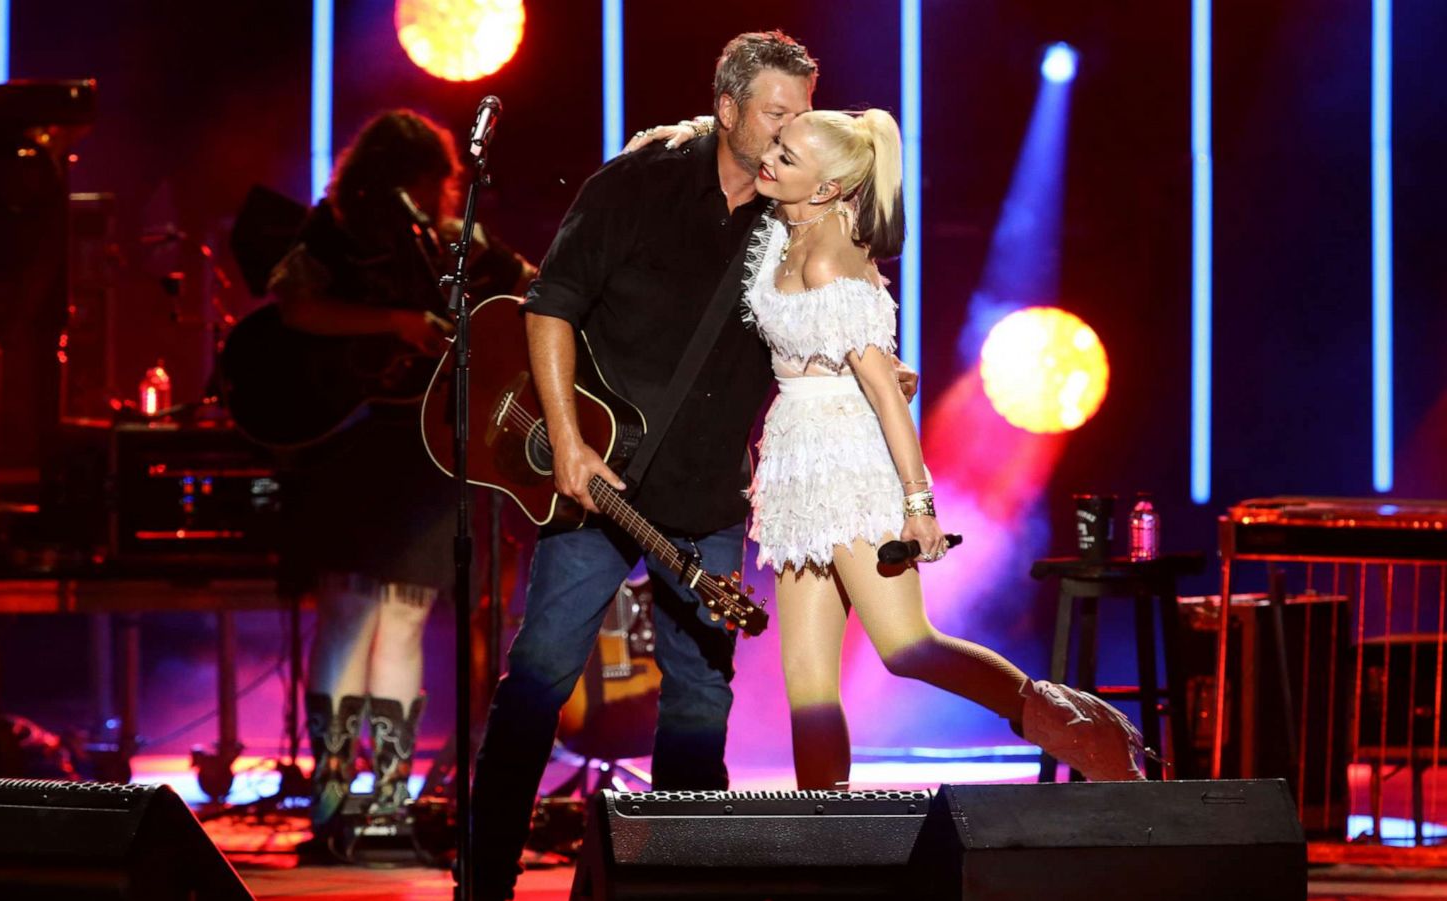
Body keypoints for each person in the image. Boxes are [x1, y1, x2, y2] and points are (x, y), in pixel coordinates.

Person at [463, 31, 824, 901]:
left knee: (700, 703)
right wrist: (569, 443)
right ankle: (484, 883)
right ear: (728, 108)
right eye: (774, 112)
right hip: (601, 487)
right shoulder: (637, 182)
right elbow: (548, 308)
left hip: (709, 497)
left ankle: (676, 886)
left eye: (802, 115)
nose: (789, 132)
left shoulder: (798, 213)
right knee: (539, 680)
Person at [740, 107, 1148, 790]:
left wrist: (918, 500)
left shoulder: (831, 257)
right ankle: (826, 841)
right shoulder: (777, 230)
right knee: (807, 686)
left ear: (827, 188)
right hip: (795, 461)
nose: (770, 158)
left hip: (849, 460)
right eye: (776, 145)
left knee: (906, 647)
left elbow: (883, 390)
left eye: (787, 155)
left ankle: (1078, 727)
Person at [266, 109, 535, 853]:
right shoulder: (331, 231)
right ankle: (329, 806)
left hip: (428, 450)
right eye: (421, 181)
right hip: (352, 444)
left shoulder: (451, 240)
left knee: (406, 616)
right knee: (351, 610)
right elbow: (294, 304)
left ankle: (385, 803)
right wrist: (393, 321)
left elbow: (531, 287)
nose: (428, 195)